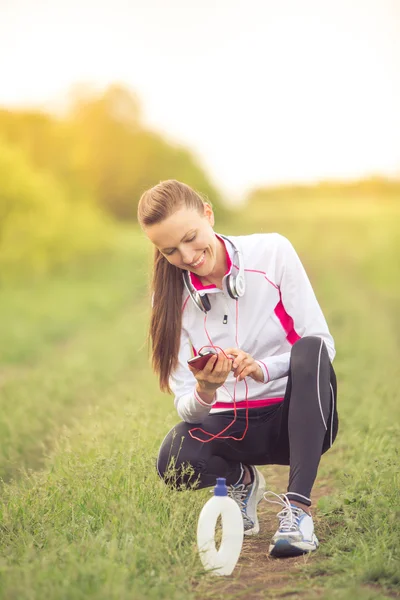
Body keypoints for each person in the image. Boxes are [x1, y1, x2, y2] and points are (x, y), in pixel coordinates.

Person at [137, 179, 338, 558]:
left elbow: (323, 345)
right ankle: (242, 481)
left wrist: (262, 369)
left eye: (192, 237)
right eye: (170, 250)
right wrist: (206, 391)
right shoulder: (168, 298)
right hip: (233, 423)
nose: (187, 255)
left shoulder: (273, 251)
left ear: (208, 215)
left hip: (294, 419)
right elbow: (184, 403)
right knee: (173, 459)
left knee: (310, 349)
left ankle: (297, 512)